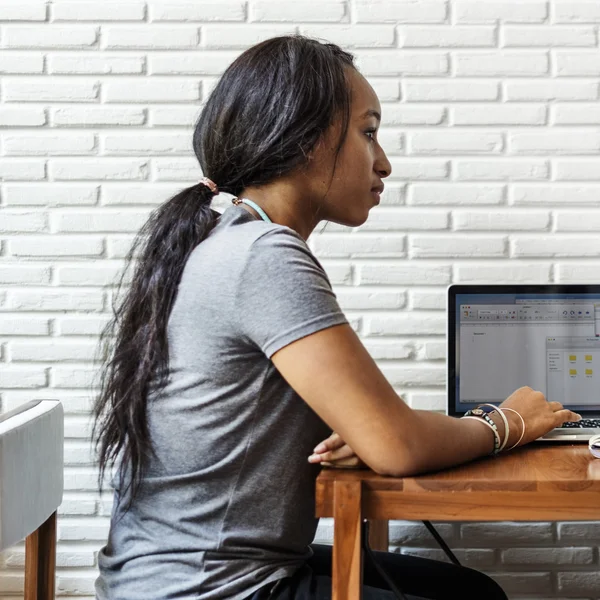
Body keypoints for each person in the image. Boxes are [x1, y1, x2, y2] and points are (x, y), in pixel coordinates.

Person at [92, 35, 581, 600]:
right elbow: (396, 445)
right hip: (210, 588)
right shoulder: (263, 255)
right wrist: (506, 421)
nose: (384, 162)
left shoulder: (222, 240)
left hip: (176, 573)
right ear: (308, 139)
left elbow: (353, 428)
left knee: (471, 591)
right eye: (368, 132)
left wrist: (352, 428)